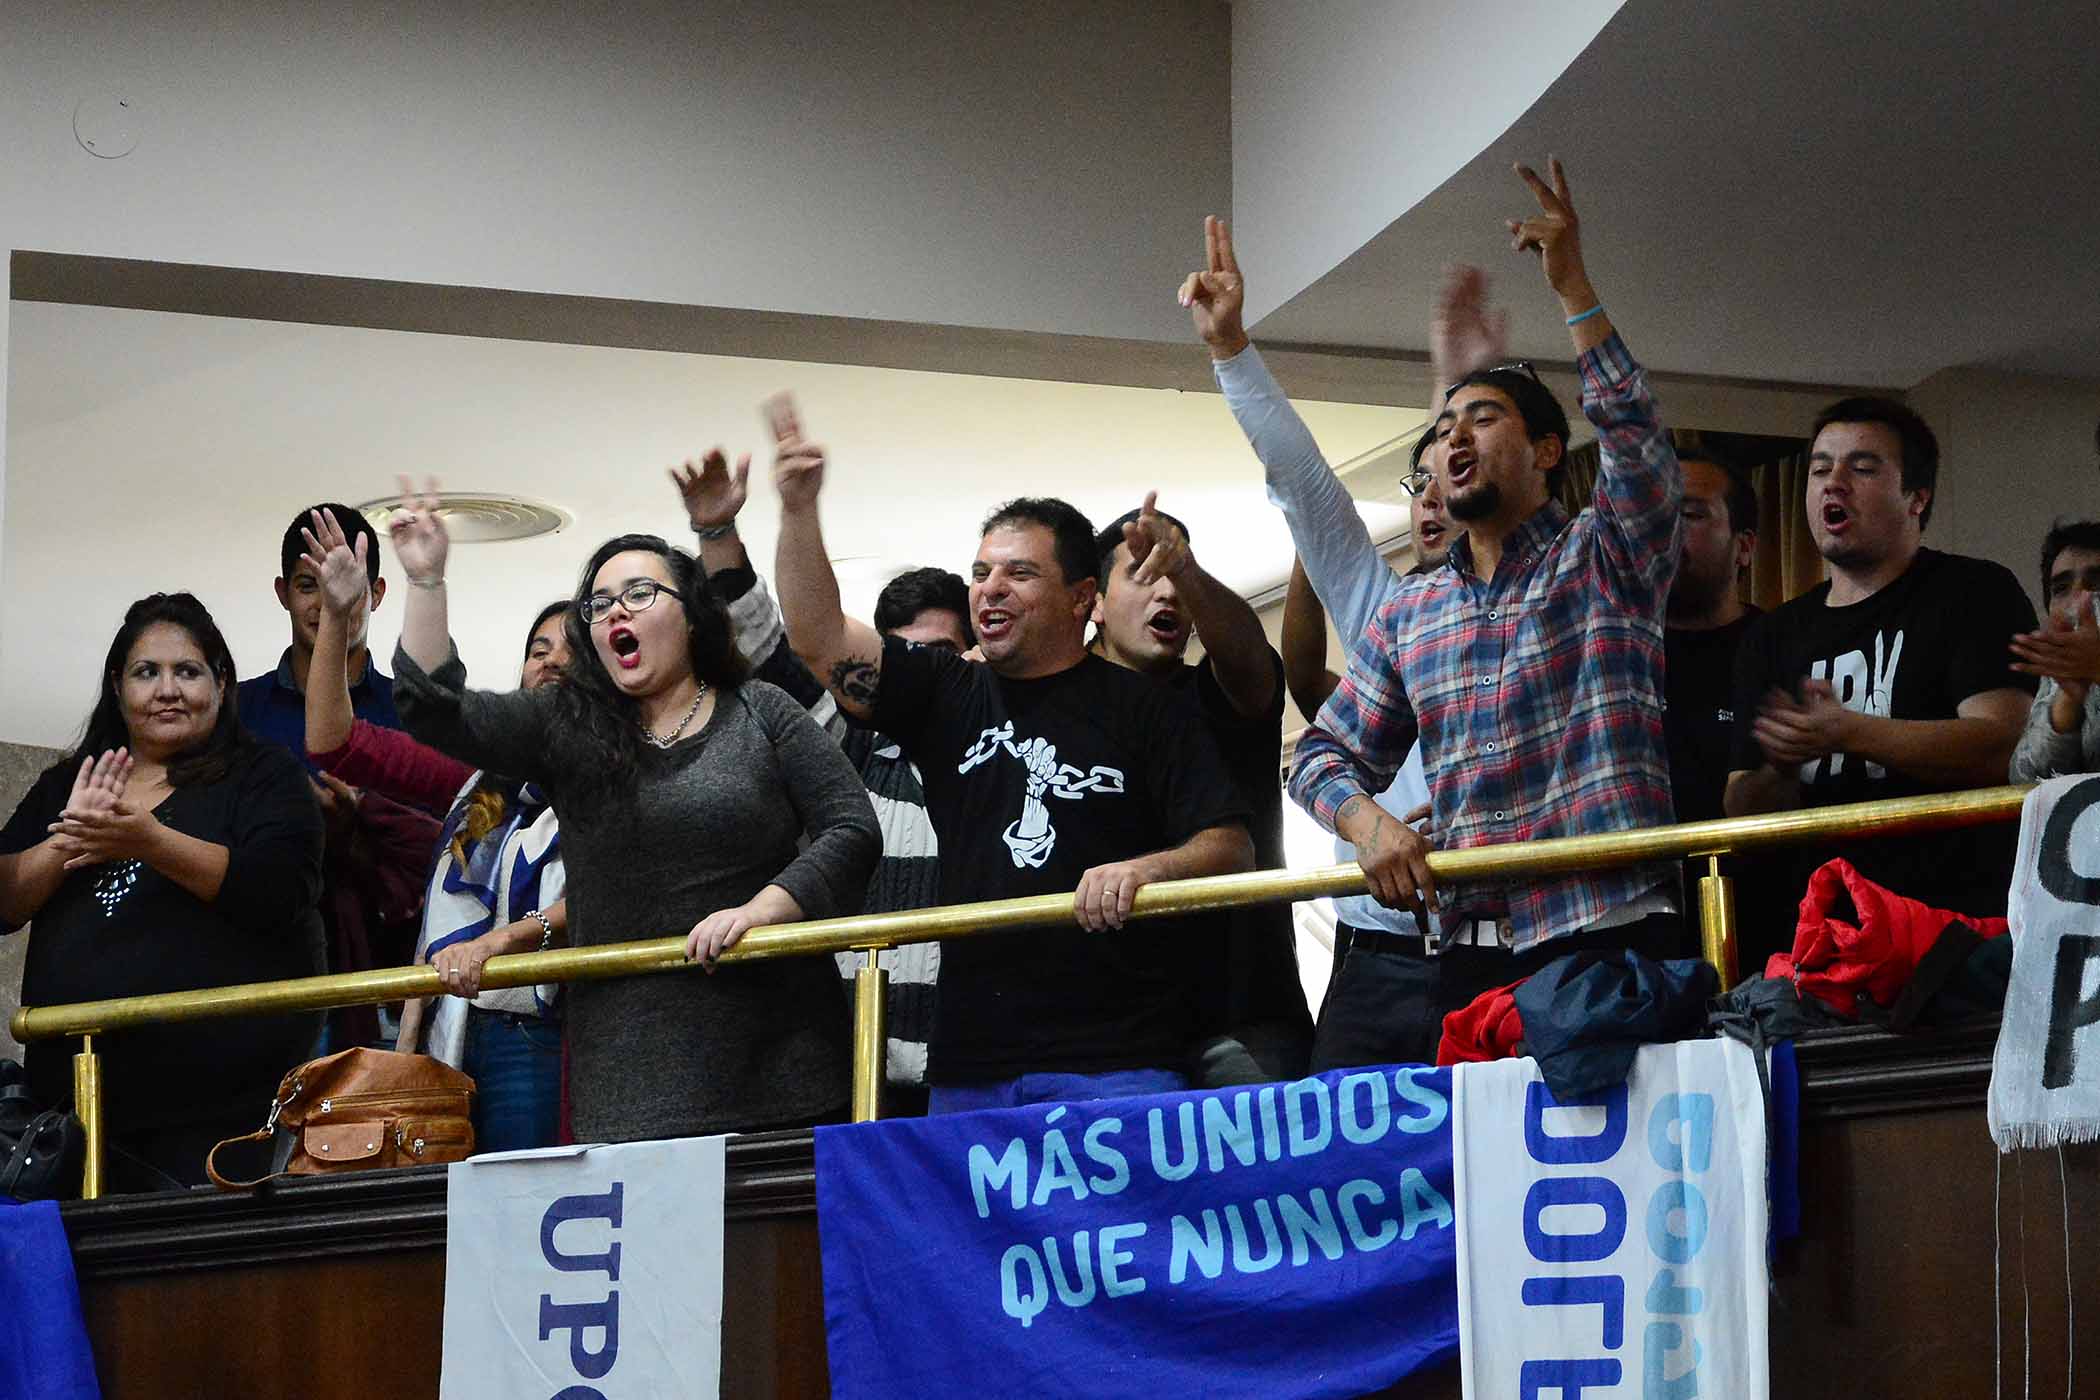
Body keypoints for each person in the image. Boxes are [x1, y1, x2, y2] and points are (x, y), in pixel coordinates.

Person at [1276, 159, 1691, 1009]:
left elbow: (1637, 438)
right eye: (1444, 428)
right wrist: (1371, 825)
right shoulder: (1412, 610)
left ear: (1546, 452)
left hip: (1610, 935)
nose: (1454, 437)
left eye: (1484, 417)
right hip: (1467, 961)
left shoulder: (1606, 554)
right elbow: (1320, 756)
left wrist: (1572, 285)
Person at [770, 399, 1256, 1114]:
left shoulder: (1146, 706)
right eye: (981, 572)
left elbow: (1232, 845)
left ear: (1080, 598)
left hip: (1121, 1062)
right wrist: (798, 510)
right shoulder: (948, 692)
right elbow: (816, 635)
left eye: (1020, 574)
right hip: (973, 1065)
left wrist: (1146, 870)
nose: (989, 590)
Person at [388, 479, 881, 1142]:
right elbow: (433, 710)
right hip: (629, 1086)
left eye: (639, 594)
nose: (615, 611)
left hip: (785, 1072)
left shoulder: (761, 710)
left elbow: (851, 827)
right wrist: (425, 581)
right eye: (598, 604)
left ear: (691, 614)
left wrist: (761, 911)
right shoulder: (567, 726)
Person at [666, 448, 964, 1114]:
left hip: (969, 1077)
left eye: (939, 657)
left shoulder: (997, 756)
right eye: (902, 654)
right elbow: (767, 647)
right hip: (840, 1072)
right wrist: (719, 536)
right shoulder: (851, 744)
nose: (920, 673)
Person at [0, 594, 324, 1189]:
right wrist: (66, 842)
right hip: (69, 1118)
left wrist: (148, 840)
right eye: (147, 672)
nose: (167, 689)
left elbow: (279, 893)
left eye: (188, 671)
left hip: (217, 1119)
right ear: (118, 686)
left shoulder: (264, 776)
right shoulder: (67, 784)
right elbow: (5, 903)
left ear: (222, 685)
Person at [1725, 397, 2036, 968]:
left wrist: (1847, 731)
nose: (1832, 484)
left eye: (1862, 468)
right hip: (1819, 946)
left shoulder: (1973, 592)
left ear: (1918, 497)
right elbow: (1742, 810)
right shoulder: (1773, 634)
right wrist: (1783, 763)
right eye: (1820, 469)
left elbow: (2005, 745)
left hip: (1956, 936)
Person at [300, 506, 571, 1152]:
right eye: (538, 650)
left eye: (573, 651)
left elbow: (616, 895)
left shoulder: (623, 774)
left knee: (517, 1221)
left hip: (540, 1037)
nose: (552, 662)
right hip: (447, 1026)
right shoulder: (480, 774)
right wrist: (338, 618)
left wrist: (499, 943)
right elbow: (333, 742)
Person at [1088, 493, 1309, 1085]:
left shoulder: (1217, 692)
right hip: (1105, 1028)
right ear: (1095, 604)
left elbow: (1248, 659)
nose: (1166, 592)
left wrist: (1186, 567)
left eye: (1175, 576)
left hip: (1242, 1018)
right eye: (1142, 575)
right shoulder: (1061, 713)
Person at [1272, 427, 1454, 1069]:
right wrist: (1311, 555)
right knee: (1337, 1136)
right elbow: (1306, 685)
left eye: (1447, 481)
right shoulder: (1391, 616)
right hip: (1376, 947)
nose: (1430, 501)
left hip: (1481, 935)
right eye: (1419, 485)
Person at [240, 501, 433, 1048]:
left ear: (375, 593)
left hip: (391, 982)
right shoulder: (237, 713)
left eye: (347, 585)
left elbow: (446, 852)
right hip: (258, 981)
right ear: (283, 593)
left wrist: (361, 833)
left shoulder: (413, 713)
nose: (332, 602)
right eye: (312, 586)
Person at [1665, 455, 1762, 822]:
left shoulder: (1779, 648)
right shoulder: (1612, 654)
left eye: (1690, 515)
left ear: (1745, 547)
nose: (1665, 531)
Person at [2011, 519, 2100, 779]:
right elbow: (2023, 780)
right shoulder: (2064, 669)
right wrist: (2067, 703)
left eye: (2096, 583)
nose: (2080, 599)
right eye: (2061, 589)